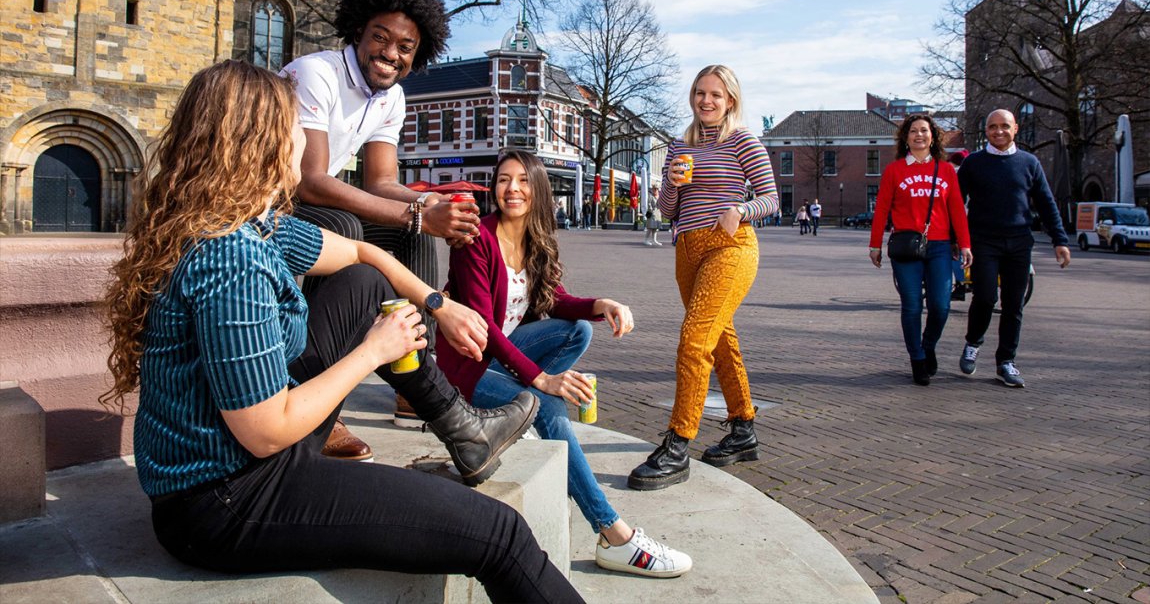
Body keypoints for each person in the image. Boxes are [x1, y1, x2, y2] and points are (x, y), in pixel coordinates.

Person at [100, 61, 580, 603]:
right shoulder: (230, 257)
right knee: (499, 533)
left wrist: (437, 305)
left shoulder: (246, 224)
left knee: (361, 281)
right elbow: (265, 431)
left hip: (243, 462)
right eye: (292, 132)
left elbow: (360, 253)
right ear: (259, 145)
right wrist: (374, 352)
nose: (303, 147)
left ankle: (462, 427)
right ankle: (466, 432)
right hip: (225, 499)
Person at [436, 150, 691, 577]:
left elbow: (555, 301)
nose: (511, 189)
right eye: (502, 180)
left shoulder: (536, 239)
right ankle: (613, 534)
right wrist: (543, 380)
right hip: (468, 366)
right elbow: (488, 332)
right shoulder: (475, 239)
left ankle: (522, 407)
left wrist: (600, 303)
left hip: (503, 357)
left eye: (522, 180)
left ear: (537, 188)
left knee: (579, 330)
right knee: (549, 405)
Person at [280, 0, 482, 458]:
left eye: (406, 46)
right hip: (277, 204)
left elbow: (380, 183)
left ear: (419, 53)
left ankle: (413, 377)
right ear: (358, 32)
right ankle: (320, 406)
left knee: (415, 235)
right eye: (380, 38)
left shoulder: (392, 96)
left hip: (318, 199)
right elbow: (309, 180)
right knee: (347, 227)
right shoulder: (317, 74)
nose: (391, 53)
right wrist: (416, 214)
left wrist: (428, 204)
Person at [627, 65, 779, 491]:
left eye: (715, 94)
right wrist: (673, 182)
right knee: (720, 340)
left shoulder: (743, 141)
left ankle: (678, 444)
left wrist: (741, 210)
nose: (706, 101)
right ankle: (743, 430)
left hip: (731, 247)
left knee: (694, 340)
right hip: (688, 250)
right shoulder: (679, 145)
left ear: (730, 99)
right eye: (699, 93)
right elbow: (666, 211)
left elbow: (771, 198)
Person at [957, 109, 1071, 388]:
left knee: (1014, 304)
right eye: (993, 127)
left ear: (1015, 129)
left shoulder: (1029, 163)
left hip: (1019, 242)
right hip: (983, 241)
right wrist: (956, 240)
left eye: (1004, 126)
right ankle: (973, 343)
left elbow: (1046, 203)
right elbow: (956, 204)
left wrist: (1060, 241)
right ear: (986, 131)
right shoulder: (973, 163)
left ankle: (1005, 362)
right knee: (984, 297)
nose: (999, 131)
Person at [868, 114, 972, 386]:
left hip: (938, 246)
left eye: (924, 131)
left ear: (932, 136)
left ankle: (928, 345)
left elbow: (957, 211)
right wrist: (875, 244)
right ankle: (917, 359)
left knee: (941, 305)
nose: (919, 135)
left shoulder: (946, 170)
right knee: (912, 306)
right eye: (913, 131)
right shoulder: (895, 170)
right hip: (906, 247)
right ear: (905, 138)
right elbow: (881, 209)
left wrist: (965, 244)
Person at [947, 150, 970, 301]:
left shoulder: (953, 174)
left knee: (954, 253)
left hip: (959, 219)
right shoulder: (975, 172)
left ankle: (962, 283)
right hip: (976, 219)